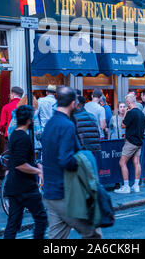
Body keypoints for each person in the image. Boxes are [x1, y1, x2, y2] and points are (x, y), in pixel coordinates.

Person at [42, 86, 101, 239]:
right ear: (73, 104)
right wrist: (82, 163)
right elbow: (66, 159)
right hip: (66, 195)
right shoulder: (67, 126)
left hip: (50, 194)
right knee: (93, 234)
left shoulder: (50, 124)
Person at [3, 105, 48, 239]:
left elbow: (19, 159)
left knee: (13, 223)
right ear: (29, 120)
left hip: (14, 186)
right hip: (26, 187)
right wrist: (38, 171)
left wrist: (37, 165)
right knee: (41, 218)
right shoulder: (23, 138)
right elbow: (20, 164)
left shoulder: (15, 135)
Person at [114, 93, 145, 194]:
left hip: (131, 141)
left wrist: (125, 114)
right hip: (139, 141)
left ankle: (126, 186)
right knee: (136, 162)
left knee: (122, 162)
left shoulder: (131, 113)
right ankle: (136, 186)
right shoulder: (141, 113)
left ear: (128, 102)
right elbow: (144, 128)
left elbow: (123, 125)